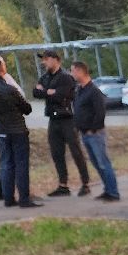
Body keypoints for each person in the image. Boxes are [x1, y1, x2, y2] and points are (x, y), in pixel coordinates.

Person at [0, 55, 40, 209]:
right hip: (17, 130)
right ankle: (24, 198)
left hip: (2, 130)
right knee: (21, 164)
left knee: (6, 163)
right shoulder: (9, 88)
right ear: (0, 67)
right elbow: (27, 109)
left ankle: (8, 198)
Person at [32, 49, 90, 197]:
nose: (43, 62)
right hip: (53, 119)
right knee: (56, 153)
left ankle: (85, 183)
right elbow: (35, 92)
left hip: (67, 119)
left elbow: (61, 95)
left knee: (76, 151)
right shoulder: (44, 77)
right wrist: (48, 91)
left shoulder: (65, 77)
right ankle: (63, 185)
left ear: (55, 59)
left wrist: (48, 92)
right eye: (43, 59)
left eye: (46, 59)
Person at [70, 61, 121, 202]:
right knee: (97, 164)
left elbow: (100, 113)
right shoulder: (79, 90)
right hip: (84, 133)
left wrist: (93, 129)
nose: (71, 74)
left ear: (80, 71)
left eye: (73, 71)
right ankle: (107, 189)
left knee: (103, 162)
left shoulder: (93, 91)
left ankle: (113, 192)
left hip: (95, 134)